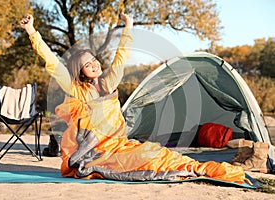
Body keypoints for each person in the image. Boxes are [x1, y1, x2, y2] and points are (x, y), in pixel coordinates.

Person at [20, 13, 251, 185]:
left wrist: (128, 27)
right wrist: (32, 32)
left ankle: (194, 166)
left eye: (94, 60)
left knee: (157, 153)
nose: (94, 65)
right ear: (80, 72)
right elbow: (53, 63)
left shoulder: (107, 83)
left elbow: (121, 57)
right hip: (97, 151)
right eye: (87, 65)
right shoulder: (77, 89)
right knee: (143, 159)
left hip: (118, 143)